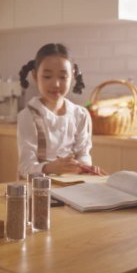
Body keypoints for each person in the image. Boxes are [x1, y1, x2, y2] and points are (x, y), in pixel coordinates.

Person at [17, 43, 105, 178]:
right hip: (39, 191)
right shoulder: (29, 116)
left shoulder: (80, 115)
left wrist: (85, 167)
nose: (56, 84)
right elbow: (25, 167)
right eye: (47, 76)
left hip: (73, 187)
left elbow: (83, 154)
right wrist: (50, 168)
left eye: (63, 77)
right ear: (35, 76)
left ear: (73, 76)